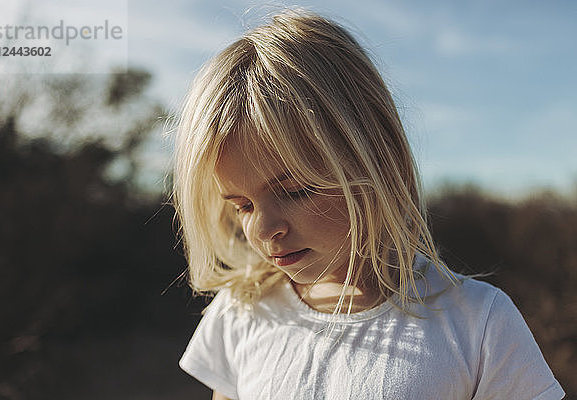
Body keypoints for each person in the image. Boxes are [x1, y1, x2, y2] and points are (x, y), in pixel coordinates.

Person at [171, 9, 564, 400]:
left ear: (377, 158)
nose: (262, 229)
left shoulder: (478, 325)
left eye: (294, 191)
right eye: (242, 205)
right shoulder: (244, 311)